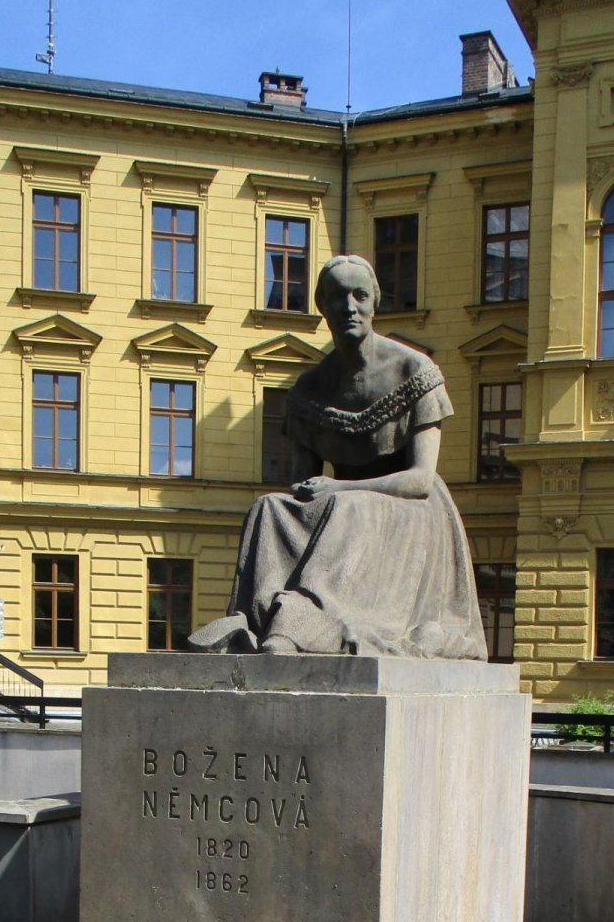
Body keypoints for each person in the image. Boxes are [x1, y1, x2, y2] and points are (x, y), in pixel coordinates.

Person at [187, 253, 489, 658]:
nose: (350, 307)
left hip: (411, 509)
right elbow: (303, 491)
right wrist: (318, 492)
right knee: (269, 509)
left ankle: (300, 624)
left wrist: (339, 488)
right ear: (322, 307)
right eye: (337, 298)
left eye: (359, 296)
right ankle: (258, 618)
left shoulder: (413, 370)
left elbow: (419, 480)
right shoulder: (310, 389)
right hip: (342, 505)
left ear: (374, 303)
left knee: (350, 507)